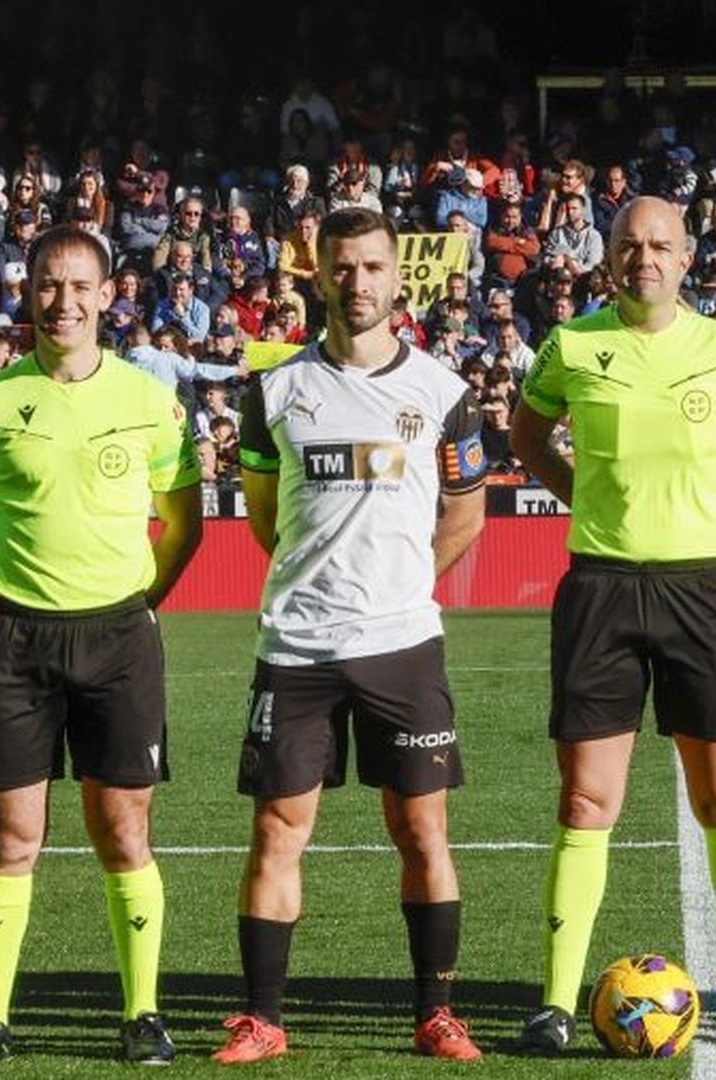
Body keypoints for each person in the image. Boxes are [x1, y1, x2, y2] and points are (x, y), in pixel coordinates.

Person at [507, 196, 716, 1053]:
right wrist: (584, 499)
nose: (645, 258)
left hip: (702, 592)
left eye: (661, 245)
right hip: (600, 590)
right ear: (610, 257)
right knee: (586, 799)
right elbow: (528, 437)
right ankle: (557, 1005)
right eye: (631, 245)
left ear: (687, 256)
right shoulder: (574, 344)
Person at [212, 208, 489, 1064]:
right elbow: (265, 516)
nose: (359, 282)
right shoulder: (276, 390)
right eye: (344, 268)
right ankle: (263, 1019)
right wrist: (321, 585)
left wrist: (400, 586)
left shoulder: (443, 393)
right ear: (320, 277)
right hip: (297, 648)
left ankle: (435, 1013)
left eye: (373, 267)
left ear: (397, 278)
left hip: (403, 647)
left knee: (421, 832)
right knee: (277, 831)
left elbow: (467, 516)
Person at [0, 224, 204, 1065]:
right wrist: (16, 593)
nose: (64, 302)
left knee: (123, 831)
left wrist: (136, 601)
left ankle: (143, 1016)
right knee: (12, 838)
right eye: (49, 286)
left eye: (79, 286)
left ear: (107, 294)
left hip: (120, 634)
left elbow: (184, 523)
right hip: (15, 639)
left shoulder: (151, 400)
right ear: (29, 294)